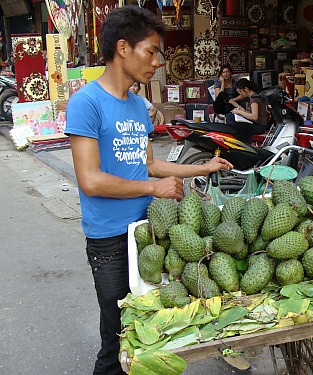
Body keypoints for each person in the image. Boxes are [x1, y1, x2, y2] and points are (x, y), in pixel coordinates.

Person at [64, 6, 233, 375]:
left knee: (150, 333)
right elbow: (90, 180)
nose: (158, 61)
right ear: (122, 48)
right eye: (151, 51)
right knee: (118, 338)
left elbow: (151, 165)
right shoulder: (86, 103)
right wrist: (152, 187)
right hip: (109, 240)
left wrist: (201, 167)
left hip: (149, 233)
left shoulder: (138, 106)